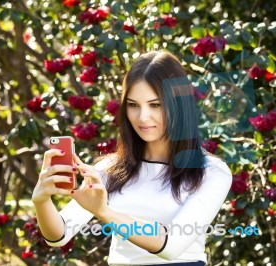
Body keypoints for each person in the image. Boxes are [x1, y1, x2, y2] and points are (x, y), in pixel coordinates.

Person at [32, 50, 232, 266]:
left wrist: (104, 212)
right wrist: (41, 200)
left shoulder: (211, 171)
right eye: (133, 105)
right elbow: (58, 235)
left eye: (155, 105)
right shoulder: (110, 169)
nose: (143, 117)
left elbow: (171, 246)